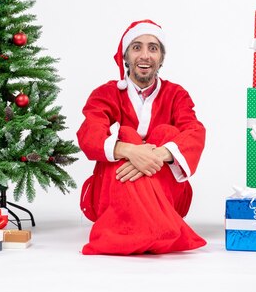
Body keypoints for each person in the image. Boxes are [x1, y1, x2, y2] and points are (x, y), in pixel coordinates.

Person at [77, 19, 207, 255]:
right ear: (125, 56)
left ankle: (132, 234)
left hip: (169, 196)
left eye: (153, 48)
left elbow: (195, 132)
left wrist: (155, 155)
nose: (145, 55)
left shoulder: (176, 95)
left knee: (166, 134)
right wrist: (129, 151)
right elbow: (89, 133)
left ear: (161, 58)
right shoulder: (105, 94)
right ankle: (161, 230)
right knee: (126, 134)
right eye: (137, 47)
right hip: (111, 194)